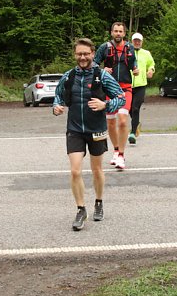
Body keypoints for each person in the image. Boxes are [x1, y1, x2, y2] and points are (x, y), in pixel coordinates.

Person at [53, 38, 126, 231]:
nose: (83, 57)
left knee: (96, 170)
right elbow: (58, 95)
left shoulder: (101, 75)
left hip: (97, 129)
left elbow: (121, 97)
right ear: (75, 55)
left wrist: (106, 105)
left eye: (86, 53)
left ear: (93, 54)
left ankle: (99, 202)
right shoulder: (68, 76)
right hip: (75, 129)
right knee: (75, 171)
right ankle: (81, 209)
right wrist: (56, 107)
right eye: (79, 54)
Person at [94, 22, 138, 169]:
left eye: (121, 31)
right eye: (116, 31)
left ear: (124, 33)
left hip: (125, 89)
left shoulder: (130, 47)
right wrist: (102, 69)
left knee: (123, 121)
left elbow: (134, 65)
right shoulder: (104, 48)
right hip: (109, 90)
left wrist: (136, 70)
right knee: (111, 123)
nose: (118, 33)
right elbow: (92, 65)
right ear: (111, 33)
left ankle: (121, 155)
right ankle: (116, 149)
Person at [128, 32, 155, 145]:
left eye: (139, 41)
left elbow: (151, 65)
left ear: (142, 42)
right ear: (132, 41)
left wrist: (151, 71)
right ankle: (137, 124)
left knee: (135, 108)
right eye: (135, 40)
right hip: (128, 84)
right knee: (128, 108)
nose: (137, 42)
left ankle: (133, 133)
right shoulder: (127, 52)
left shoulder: (146, 53)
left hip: (141, 85)